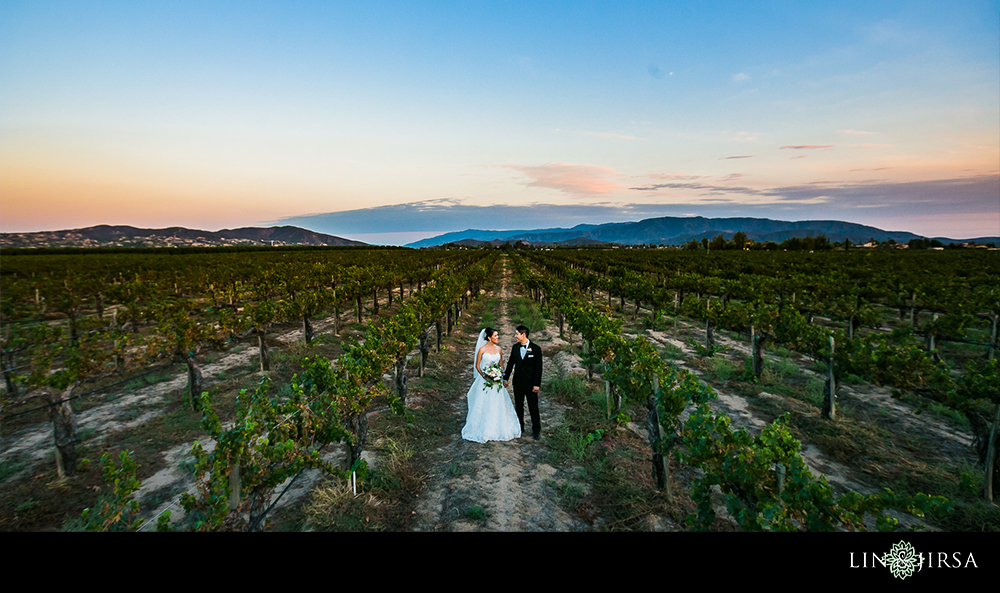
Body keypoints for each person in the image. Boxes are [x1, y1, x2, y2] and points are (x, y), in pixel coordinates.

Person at [462, 327, 521, 443]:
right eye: (495, 335)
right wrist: (485, 376)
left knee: (497, 403)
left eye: (497, 335)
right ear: (489, 338)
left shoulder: (499, 349)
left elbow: (501, 365)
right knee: (484, 402)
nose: (497, 337)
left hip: (496, 381)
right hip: (485, 381)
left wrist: (501, 376)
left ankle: (498, 426)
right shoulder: (482, 350)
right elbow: (477, 366)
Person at [503, 325, 543, 439]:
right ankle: (520, 427)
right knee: (518, 405)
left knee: (533, 406)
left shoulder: (536, 349)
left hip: (531, 384)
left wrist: (537, 384)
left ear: (523, 334)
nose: (515, 336)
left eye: (517, 334)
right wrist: (506, 378)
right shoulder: (515, 347)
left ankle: (536, 430)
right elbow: (511, 363)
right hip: (518, 382)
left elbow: (538, 368)